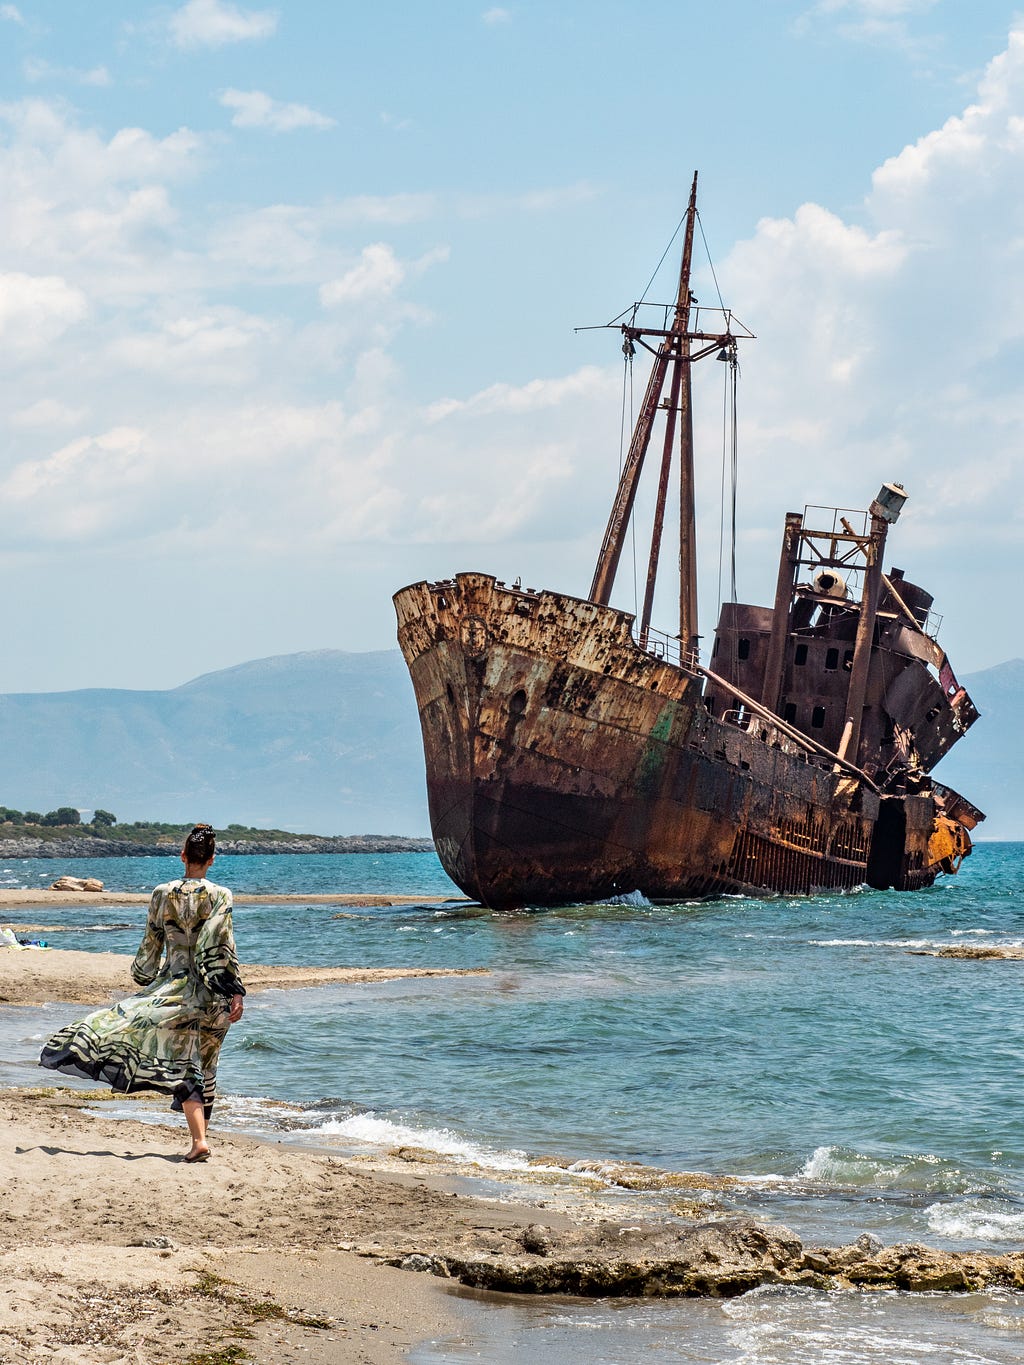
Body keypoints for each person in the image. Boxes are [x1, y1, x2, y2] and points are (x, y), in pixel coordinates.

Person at [39, 823, 245, 1163]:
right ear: (211, 859)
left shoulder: (162, 893)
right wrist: (235, 991)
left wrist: (144, 977)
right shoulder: (221, 895)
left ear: (183, 856)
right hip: (213, 992)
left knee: (185, 1063)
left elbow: (151, 945)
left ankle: (200, 1141)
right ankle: (200, 1140)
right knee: (206, 1064)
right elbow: (222, 946)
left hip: (174, 990)